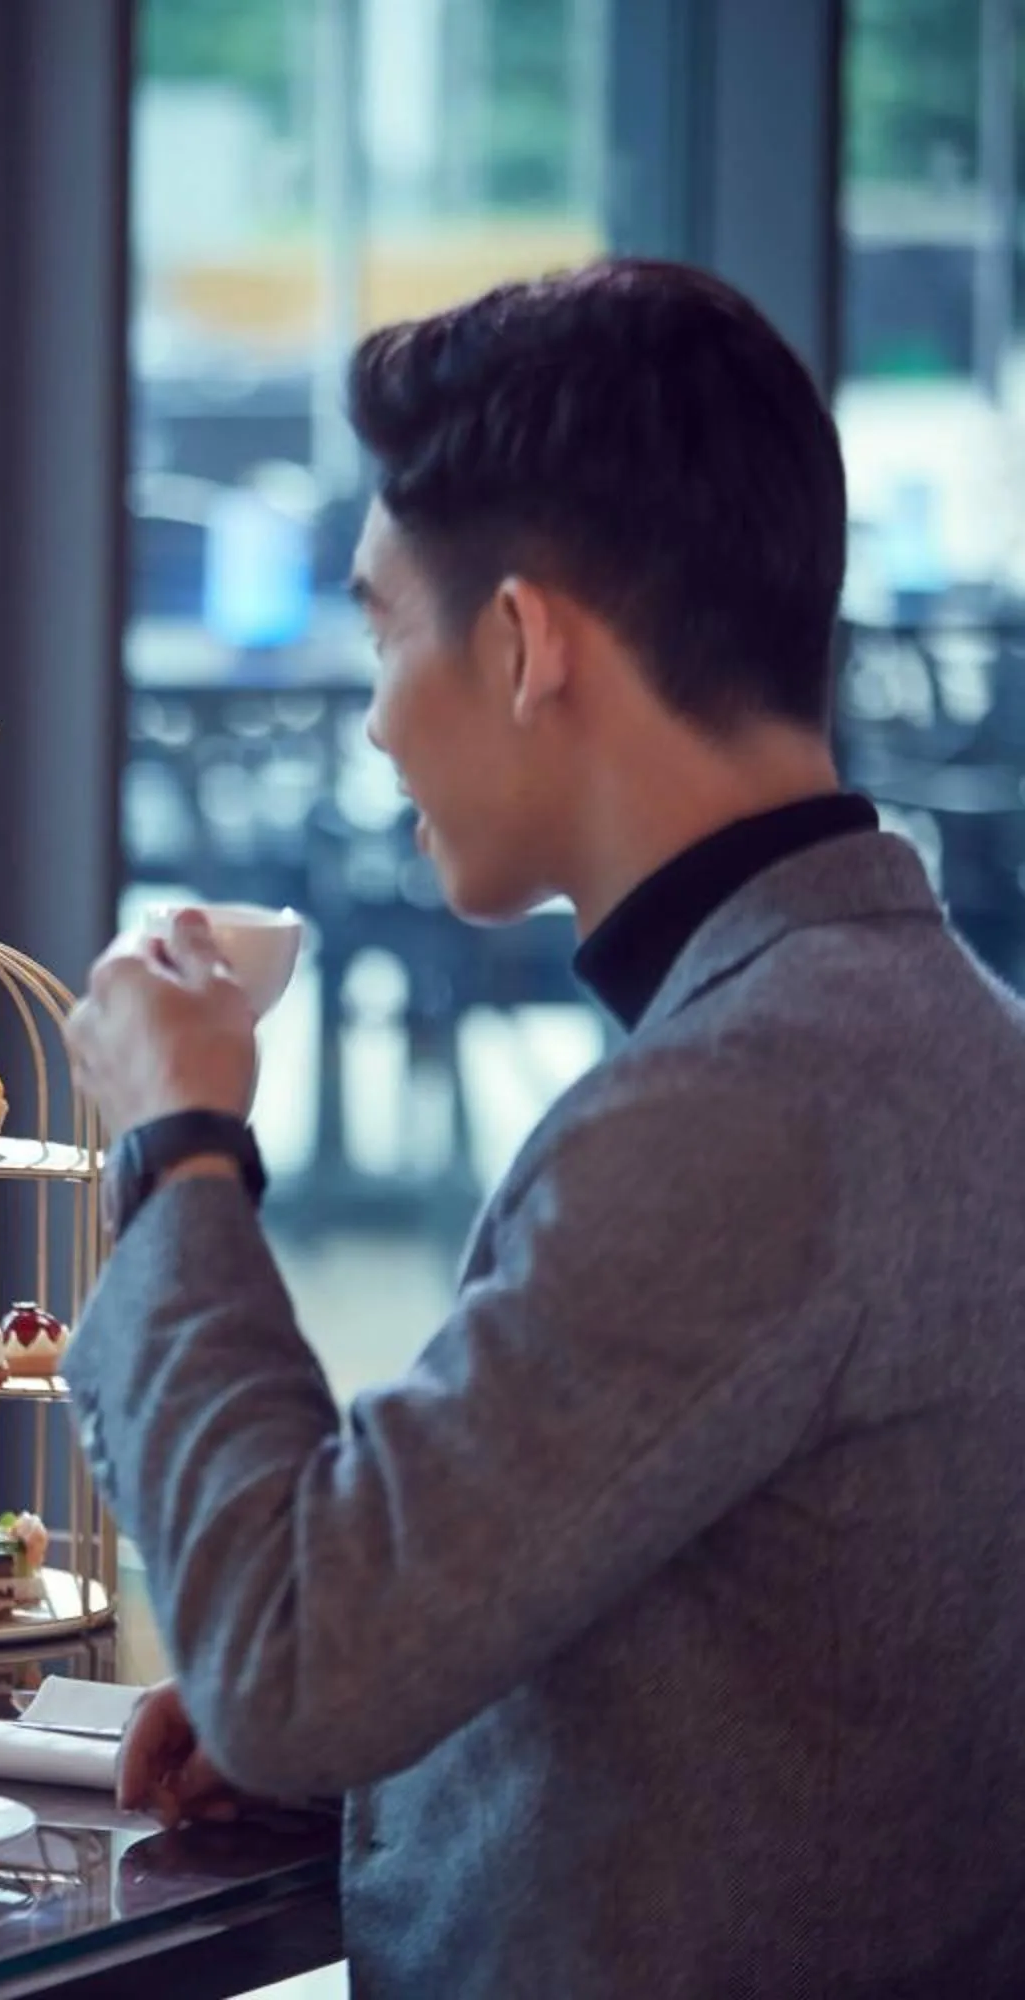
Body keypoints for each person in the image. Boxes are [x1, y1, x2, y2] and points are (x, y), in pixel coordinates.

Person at [63, 258, 1025, 1995]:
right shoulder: (959, 1047)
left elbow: (290, 1653)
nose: (370, 716)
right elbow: (774, 1684)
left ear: (522, 643)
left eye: (380, 628)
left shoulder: (736, 1115)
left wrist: (179, 1142)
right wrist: (394, 1741)